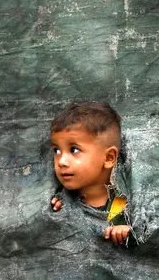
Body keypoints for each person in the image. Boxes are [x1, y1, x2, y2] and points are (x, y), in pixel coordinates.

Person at [48, 101, 134, 245]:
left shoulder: (127, 203)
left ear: (109, 158)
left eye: (74, 150)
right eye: (57, 150)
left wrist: (128, 232)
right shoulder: (62, 200)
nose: (61, 161)